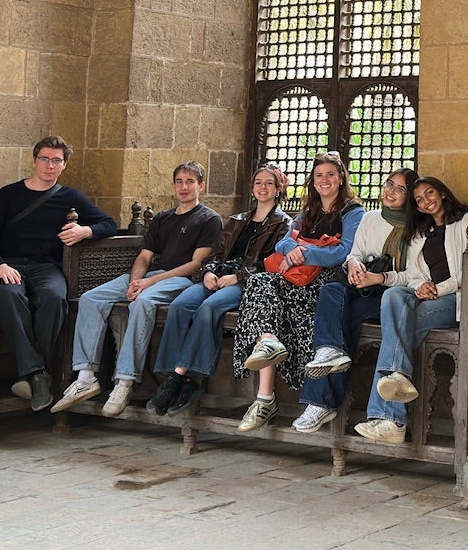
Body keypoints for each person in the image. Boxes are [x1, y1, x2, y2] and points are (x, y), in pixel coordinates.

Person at [55, 161, 223, 416]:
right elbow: (144, 257)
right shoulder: (163, 218)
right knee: (91, 298)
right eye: (179, 181)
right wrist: (136, 281)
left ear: (201, 185)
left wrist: (148, 284)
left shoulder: (209, 219)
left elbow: (196, 265)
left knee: (142, 302)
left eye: (190, 182)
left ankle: (125, 380)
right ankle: (86, 375)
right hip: (151, 276)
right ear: (173, 185)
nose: (184, 187)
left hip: (182, 280)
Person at [0, 136, 118, 413]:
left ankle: (32, 374)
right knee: (10, 295)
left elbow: (109, 224)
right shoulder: (9, 194)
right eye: (44, 159)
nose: (50, 165)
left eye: (56, 160)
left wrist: (85, 231)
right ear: (33, 161)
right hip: (7, 265)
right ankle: (39, 373)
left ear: (64, 165)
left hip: (45, 268)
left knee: (55, 297)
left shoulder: (70, 197)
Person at [147, 165, 292, 417]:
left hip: (247, 283)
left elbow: (272, 262)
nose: (263, 187)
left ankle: (183, 379)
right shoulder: (237, 220)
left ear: (279, 188)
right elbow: (215, 253)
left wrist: (237, 276)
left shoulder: (283, 224)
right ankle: (172, 376)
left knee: (209, 308)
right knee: (181, 305)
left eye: (269, 183)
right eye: (258, 182)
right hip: (219, 275)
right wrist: (209, 273)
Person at [234, 153, 363, 434]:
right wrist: (291, 250)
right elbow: (281, 244)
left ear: (341, 178)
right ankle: (268, 343)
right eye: (319, 175)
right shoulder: (308, 213)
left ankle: (266, 398)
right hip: (296, 280)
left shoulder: (353, 212)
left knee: (282, 308)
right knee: (259, 282)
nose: (324, 180)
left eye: (330, 174)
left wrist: (304, 252)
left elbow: (345, 252)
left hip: (325, 285)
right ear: (312, 181)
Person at [355, 177, 468, 443]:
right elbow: (411, 274)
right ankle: (397, 379)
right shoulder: (420, 233)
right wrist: (420, 284)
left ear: (443, 193)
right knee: (392, 296)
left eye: (430, 193)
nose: (426, 201)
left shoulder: (467, 222)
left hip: (457, 301)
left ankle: (391, 419)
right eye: (419, 200)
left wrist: (436, 288)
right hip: (425, 296)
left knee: (397, 331)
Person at [296, 168, 418, 430]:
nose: (391, 191)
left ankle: (321, 403)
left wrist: (380, 278)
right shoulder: (371, 217)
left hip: (388, 296)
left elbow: (416, 276)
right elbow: (355, 253)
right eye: (389, 184)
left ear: (409, 196)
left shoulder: (417, 228)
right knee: (331, 290)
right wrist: (354, 266)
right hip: (361, 285)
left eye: (400, 189)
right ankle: (329, 351)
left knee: (345, 319)